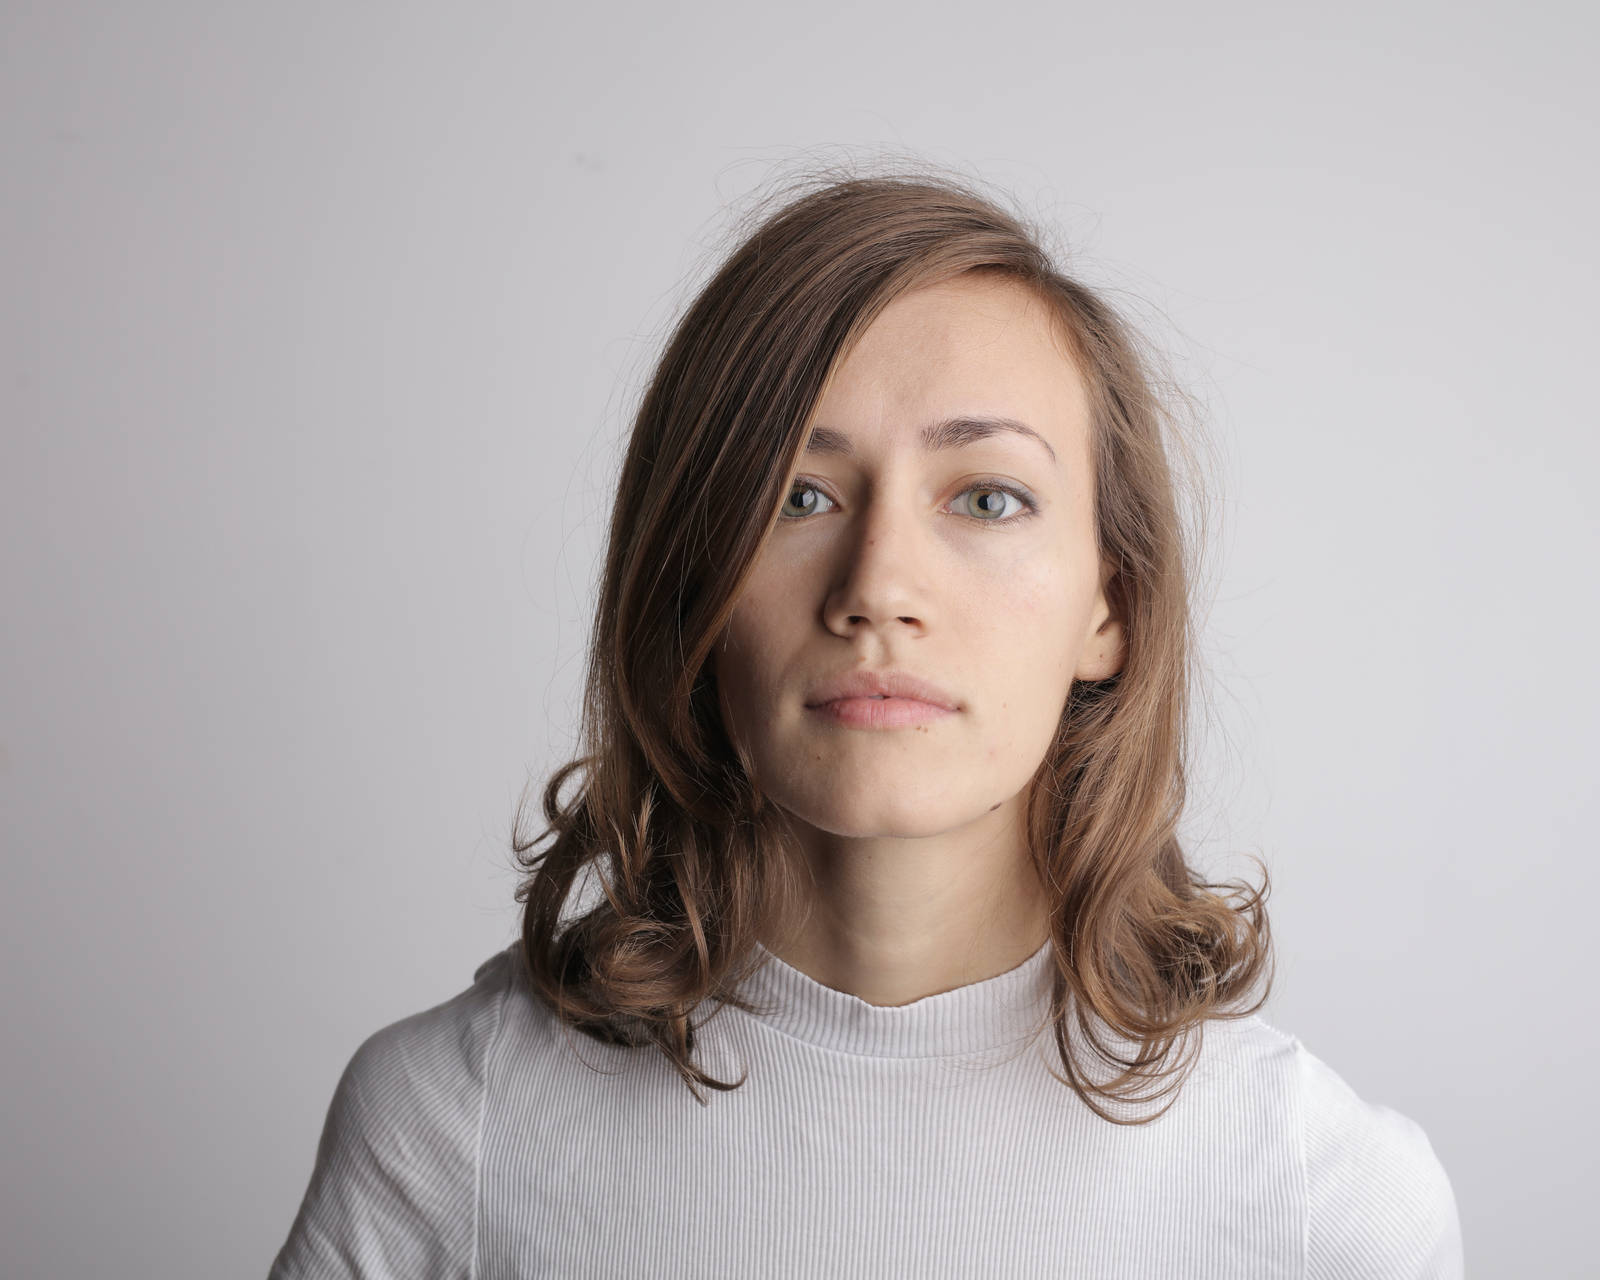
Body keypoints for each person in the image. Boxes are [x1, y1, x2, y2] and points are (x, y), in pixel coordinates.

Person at [268, 168, 1465, 1278]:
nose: (878, 585)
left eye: (988, 497)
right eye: (799, 494)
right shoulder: (449, 1129)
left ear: (1113, 604)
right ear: (693, 583)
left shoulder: (1323, 1198)